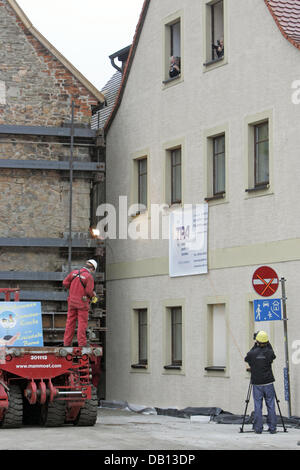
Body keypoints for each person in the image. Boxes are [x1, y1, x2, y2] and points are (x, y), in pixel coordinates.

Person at [244, 331, 277, 434]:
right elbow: (273, 355)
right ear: (267, 341)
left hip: (257, 383)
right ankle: (272, 428)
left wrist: (255, 345)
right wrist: (267, 343)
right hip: (268, 382)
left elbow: (247, 358)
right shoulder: (270, 353)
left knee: (258, 405)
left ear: (257, 341)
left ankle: (258, 428)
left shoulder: (252, 353)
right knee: (271, 404)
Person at [63, 259, 97, 347]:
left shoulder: (74, 273)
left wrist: (74, 289)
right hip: (82, 303)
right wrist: (93, 296)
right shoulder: (89, 277)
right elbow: (89, 291)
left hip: (72, 302)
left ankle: (66, 343)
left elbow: (65, 283)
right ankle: (82, 344)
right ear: (92, 269)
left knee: (70, 322)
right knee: (82, 323)